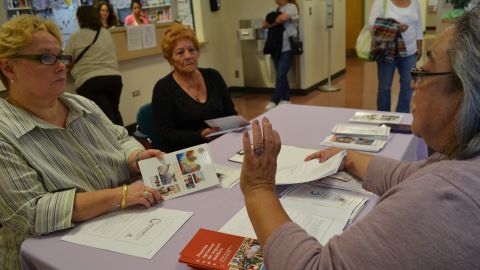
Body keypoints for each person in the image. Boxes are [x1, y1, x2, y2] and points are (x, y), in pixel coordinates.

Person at [240, 7, 480, 269]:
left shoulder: (440, 197)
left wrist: (258, 188)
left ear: (465, 93)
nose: (413, 83)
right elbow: (408, 175)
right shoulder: (460, 164)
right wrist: (348, 157)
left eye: (425, 71)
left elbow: (313, 267)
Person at [0, 15, 163, 269]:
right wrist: (120, 195)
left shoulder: (82, 105)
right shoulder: (4, 132)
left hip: (125, 227)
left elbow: (120, 138)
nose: (61, 67)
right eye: (46, 57)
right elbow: (32, 212)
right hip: (52, 256)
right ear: (9, 68)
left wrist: (135, 157)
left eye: (62, 57)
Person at [151, 23, 237, 152]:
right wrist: (201, 135)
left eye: (192, 50)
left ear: (197, 52)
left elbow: (230, 113)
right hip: (186, 154)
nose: (188, 56)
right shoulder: (163, 89)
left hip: (219, 145)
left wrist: (236, 123)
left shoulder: (213, 76)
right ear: (170, 59)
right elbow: (167, 135)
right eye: (180, 52)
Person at [65, 6, 124, 126]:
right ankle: (125, 141)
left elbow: (65, 60)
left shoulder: (75, 37)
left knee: (103, 120)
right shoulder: (106, 33)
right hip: (114, 79)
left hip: (90, 82)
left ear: (79, 19)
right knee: (114, 113)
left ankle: (114, 143)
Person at [369, 0, 423, 112]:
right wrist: (395, 27)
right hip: (387, 52)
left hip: (410, 52)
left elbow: (418, 25)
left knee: (409, 86)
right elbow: (372, 24)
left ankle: (401, 116)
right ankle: (384, 118)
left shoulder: (415, 2)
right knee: (384, 88)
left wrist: (419, 46)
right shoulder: (381, 2)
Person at [262, 0, 299, 111]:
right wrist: (277, 19)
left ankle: (274, 100)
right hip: (275, 47)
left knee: (281, 74)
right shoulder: (272, 10)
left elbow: (282, 19)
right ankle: (286, 99)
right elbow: (264, 25)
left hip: (287, 48)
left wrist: (272, 20)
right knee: (280, 74)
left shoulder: (291, 7)